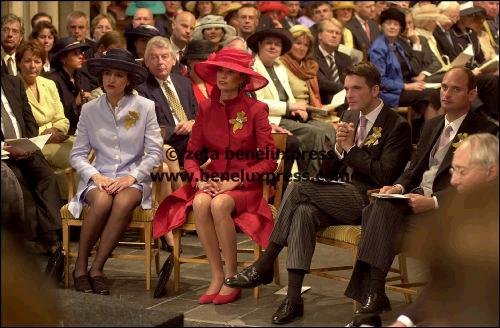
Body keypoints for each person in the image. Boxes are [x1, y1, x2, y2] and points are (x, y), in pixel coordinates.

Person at [224, 62, 412, 325]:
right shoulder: (349, 116)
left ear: (376, 90)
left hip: (369, 199)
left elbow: (384, 175)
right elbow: (328, 169)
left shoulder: (396, 125)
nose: (349, 94)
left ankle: (265, 262)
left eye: (356, 88)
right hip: (339, 194)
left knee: (298, 186)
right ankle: (292, 299)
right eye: (346, 88)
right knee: (303, 212)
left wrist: (350, 150)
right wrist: (336, 147)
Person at [343, 67, 498, 326]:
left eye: (456, 89)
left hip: (447, 210)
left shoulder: (485, 130)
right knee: (380, 205)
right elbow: (413, 170)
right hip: (414, 199)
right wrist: (398, 188)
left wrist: (435, 201)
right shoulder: (432, 124)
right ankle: (375, 292)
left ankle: (374, 294)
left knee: (377, 215)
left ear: (472, 94)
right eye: (444, 87)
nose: (446, 94)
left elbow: (481, 187)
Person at [153, 48, 276, 305]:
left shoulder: (256, 110)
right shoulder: (206, 108)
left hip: (246, 185)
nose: (223, 76)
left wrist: (236, 180)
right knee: (199, 201)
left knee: (220, 203)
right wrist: (198, 179)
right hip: (212, 181)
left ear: (242, 79)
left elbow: (269, 161)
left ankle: (232, 277)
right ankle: (216, 275)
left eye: (230, 72)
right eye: (220, 70)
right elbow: (191, 155)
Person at [68, 48, 163, 295]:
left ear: (128, 79)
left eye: (118, 75)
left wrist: (131, 177)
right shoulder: (90, 110)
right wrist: (96, 176)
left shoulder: (145, 107)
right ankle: (80, 267)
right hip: (99, 176)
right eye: (107, 73)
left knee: (121, 202)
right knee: (101, 200)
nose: (111, 79)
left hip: (134, 178)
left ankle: (97, 269)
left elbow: (155, 152)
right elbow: (77, 155)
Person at [390, 133, 499, 327]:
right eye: (453, 171)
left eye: (462, 172)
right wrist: (404, 322)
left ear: (491, 172)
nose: (454, 181)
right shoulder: (462, 210)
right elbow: (445, 284)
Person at [250, 27, 334, 177]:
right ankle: (308, 179)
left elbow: (289, 95)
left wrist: (297, 108)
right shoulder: (253, 67)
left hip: (289, 115)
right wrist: (290, 107)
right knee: (313, 132)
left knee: (327, 128)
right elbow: (258, 103)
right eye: (269, 43)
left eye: (277, 44)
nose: (273, 47)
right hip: (271, 119)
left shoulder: (279, 66)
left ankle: (325, 175)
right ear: (259, 45)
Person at [1, 74, 63, 255]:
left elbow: (29, 119)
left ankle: (53, 237)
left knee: (47, 176)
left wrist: (29, 143)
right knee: (18, 180)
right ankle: (31, 240)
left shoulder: (13, 82)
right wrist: (6, 147)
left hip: (24, 146)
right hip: (3, 152)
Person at [369, 8, 441, 120]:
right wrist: (406, 86)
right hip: (390, 93)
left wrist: (416, 81)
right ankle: (431, 135)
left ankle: (433, 132)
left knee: (439, 91)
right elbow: (380, 81)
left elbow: (411, 70)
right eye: (388, 23)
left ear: (400, 28)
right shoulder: (378, 48)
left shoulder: (396, 45)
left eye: (396, 24)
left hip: (405, 86)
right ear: (382, 26)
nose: (392, 27)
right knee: (430, 95)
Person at [16, 41, 73, 174]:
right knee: (74, 159)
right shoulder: (13, 87)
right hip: (34, 145)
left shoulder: (49, 84)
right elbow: (20, 127)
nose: (32, 66)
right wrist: (45, 134)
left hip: (57, 137)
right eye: (27, 61)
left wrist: (55, 129)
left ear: (43, 63)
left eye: (37, 61)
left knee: (91, 151)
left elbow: (62, 119)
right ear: (19, 63)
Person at [48, 37, 93, 135]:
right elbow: (55, 115)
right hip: (64, 132)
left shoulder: (83, 77)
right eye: (75, 54)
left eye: (81, 52)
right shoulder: (52, 80)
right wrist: (75, 103)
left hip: (84, 129)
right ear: (63, 58)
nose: (81, 56)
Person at [181, 39, 215, 104]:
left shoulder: (215, 81)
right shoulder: (182, 85)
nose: (205, 63)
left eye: (208, 60)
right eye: (201, 59)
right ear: (189, 60)